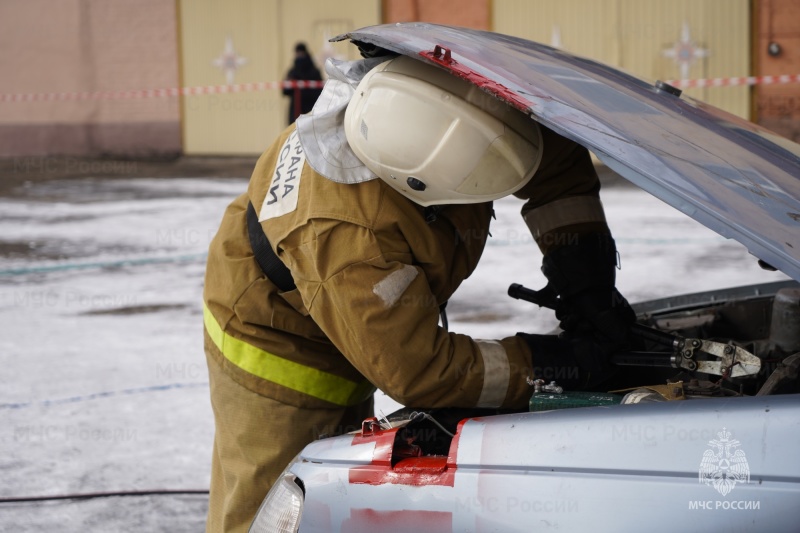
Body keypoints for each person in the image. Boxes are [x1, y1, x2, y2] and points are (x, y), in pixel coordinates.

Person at [203, 54, 634, 532]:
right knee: (280, 506)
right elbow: (417, 368)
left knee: (343, 493)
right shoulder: (347, 240)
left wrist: (586, 276)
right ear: (419, 187)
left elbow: (551, 168)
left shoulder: (450, 107)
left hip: (361, 315)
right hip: (277, 344)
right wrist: (547, 364)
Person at [282, 42, 323, 125]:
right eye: (298, 53)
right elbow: (285, 91)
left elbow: (320, 92)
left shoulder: (314, 72)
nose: (299, 56)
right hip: (295, 112)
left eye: (301, 53)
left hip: (310, 111)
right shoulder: (292, 72)